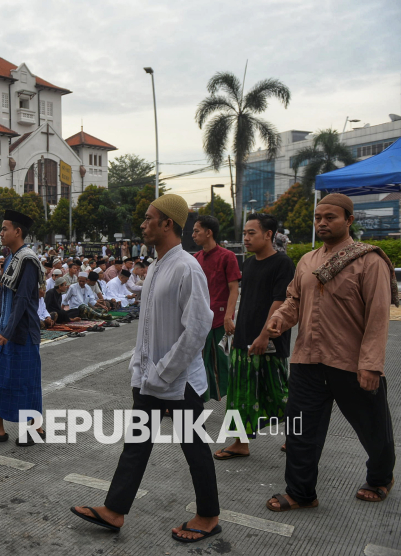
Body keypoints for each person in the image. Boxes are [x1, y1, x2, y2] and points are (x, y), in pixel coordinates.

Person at [70, 194, 220, 542]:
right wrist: (141, 368)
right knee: (136, 444)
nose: (142, 224)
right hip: (151, 377)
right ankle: (115, 510)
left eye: (149, 218)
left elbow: (197, 329)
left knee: (194, 447)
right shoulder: (155, 267)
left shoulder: (186, 268)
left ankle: (209, 516)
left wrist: (165, 371)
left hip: (179, 380)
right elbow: (149, 326)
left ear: (167, 224)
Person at [264, 193, 397, 511]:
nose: (322, 223)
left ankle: (380, 477)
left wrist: (371, 364)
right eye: (318, 218)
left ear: (349, 220)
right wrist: (280, 318)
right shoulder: (307, 261)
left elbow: (378, 316)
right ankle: (300, 493)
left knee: (373, 428)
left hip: (351, 363)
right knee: (300, 431)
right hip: (307, 360)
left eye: (330, 217)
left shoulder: (370, 261)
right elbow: (294, 300)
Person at [214, 212, 294, 459]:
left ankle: (298, 437)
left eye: (252, 233)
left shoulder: (282, 263)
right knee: (240, 394)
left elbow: (279, 302)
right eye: (245, 233)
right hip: (243, 338)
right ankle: (240, 443)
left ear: (268, 234)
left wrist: (264, 336)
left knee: (279, 394)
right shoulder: (248, 264)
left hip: (269, 341)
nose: (246, 238)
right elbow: (248, 300)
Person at [0, 209, 46, 447]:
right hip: (5, 330)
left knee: (25, 382)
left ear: (18, 231)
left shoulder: (28, 260)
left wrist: (7, 331)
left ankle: (35, 429)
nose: (1, 233)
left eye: (5, 229)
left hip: (21, 333)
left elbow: (23, 300)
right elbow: (4, 297)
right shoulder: (12, 258)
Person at [192, 215, 241, 403]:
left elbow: (234, 289)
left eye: (197, 231)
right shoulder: (195, 258)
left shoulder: (227, 256)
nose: (193, 235)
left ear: (209, 232)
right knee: (198, 362)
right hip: (199, 321)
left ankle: (234, 399)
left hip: (221, 321)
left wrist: (229, 316)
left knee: (223, 362)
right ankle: (198, 399)